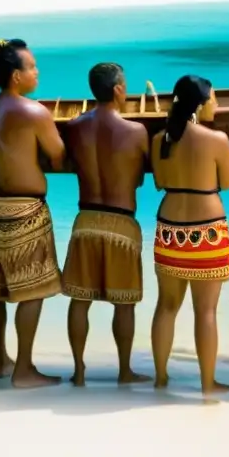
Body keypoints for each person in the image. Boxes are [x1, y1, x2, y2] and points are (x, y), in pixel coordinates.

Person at [0, 39, 65, 389]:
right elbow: (57, 156)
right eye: (32, 67)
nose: (37, 71)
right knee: (32, 288)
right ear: (15, 76)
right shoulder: (34, 112)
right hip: (23, 206)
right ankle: (24, 368)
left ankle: (1, 359)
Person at [62, 62, 150, 386]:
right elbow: (140, 176)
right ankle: (125, 371)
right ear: (117, 89)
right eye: (125, 85)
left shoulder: (72, 127)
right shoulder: (137, 132)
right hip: (121, 223)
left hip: (85, 219)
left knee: (79, 301)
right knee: (124, 305)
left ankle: (79, 371)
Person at [151, 75, 229, 396]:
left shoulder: (160, 139)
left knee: (166, 306)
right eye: (214, 99)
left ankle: (160, 377)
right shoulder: (216, 140)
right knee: (206, 311)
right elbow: (228, 182)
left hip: (170, 230)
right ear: (200, 105)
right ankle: (207, 384)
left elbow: (159, 181)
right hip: (207, 232)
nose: (217, 105)